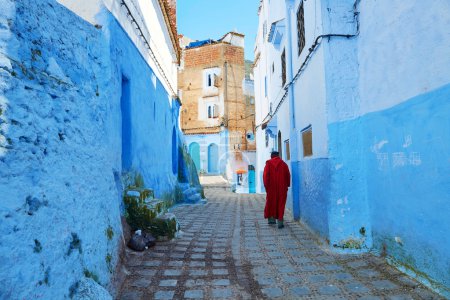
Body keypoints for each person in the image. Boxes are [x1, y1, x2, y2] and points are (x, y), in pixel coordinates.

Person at [263, 151, 291, 229]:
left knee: (271, 202)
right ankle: (280, 222)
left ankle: (271, 219)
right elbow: (288, 175)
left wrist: (267, 187)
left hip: (271, 188)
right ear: (278, 156)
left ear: (271, 156)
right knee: (281, 203)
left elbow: (265, 177)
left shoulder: (268, 164)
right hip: (282, 187)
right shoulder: (284, 164)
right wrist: (287, 185)